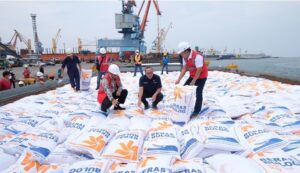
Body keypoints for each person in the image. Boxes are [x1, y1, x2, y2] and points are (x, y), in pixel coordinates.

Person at [175, 41, 208, 118]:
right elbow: (184, 68)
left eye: (182, 53)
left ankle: (196, 111)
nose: (181, 55)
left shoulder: (198, 56)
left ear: (186, 51)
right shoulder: (184, 57)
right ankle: (185, 107)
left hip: (202, 76)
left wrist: (193, 81)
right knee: (184, 90)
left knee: (198, 93)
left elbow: (199, 70)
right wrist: (179, 79)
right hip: (193, 75)